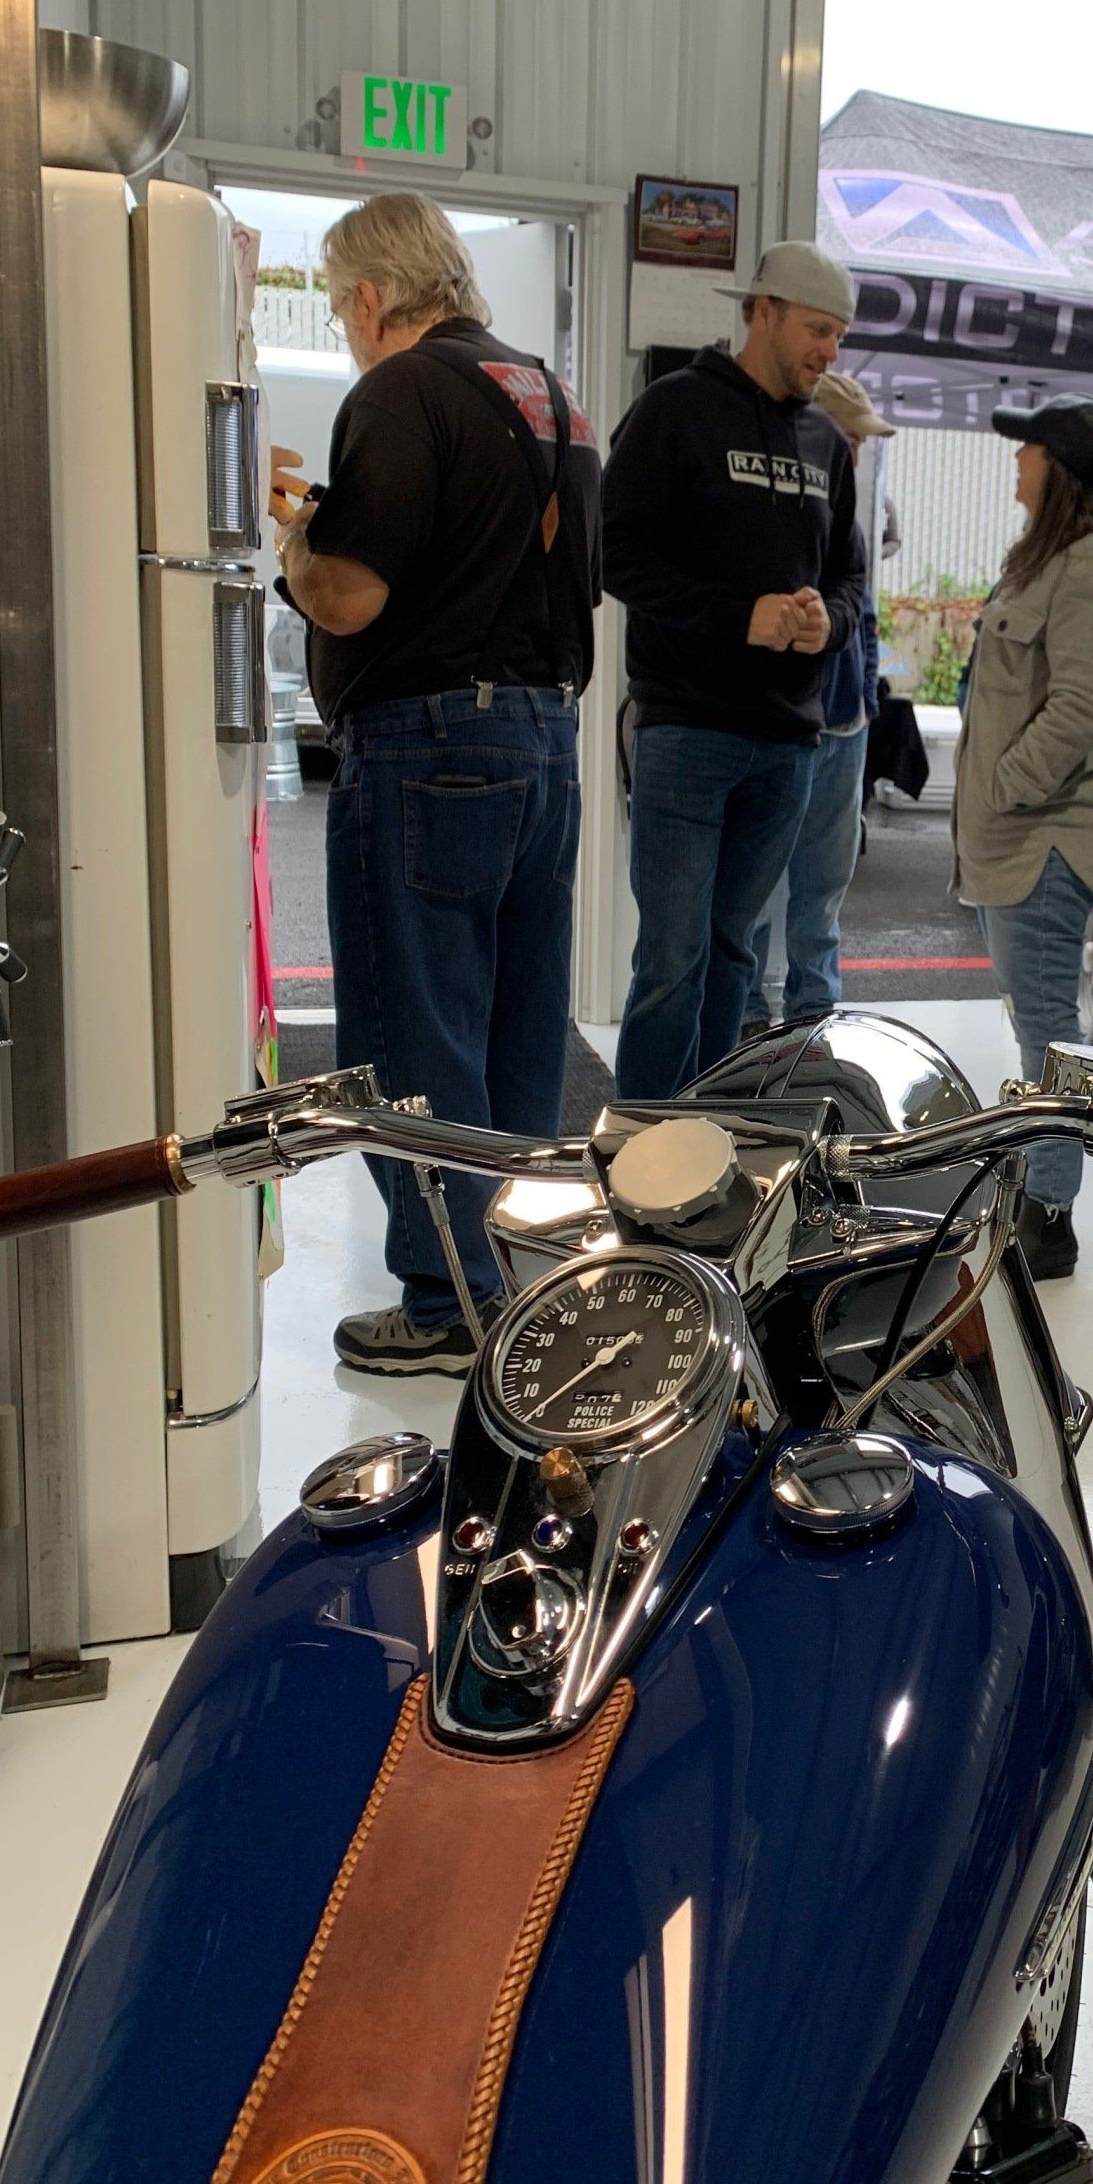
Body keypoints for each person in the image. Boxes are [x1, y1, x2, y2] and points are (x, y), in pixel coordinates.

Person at [272, 191, 601, 1375]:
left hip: (428, 742)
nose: (347, 326)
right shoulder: (548, 393)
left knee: (417, 1029)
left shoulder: (401, 392)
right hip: (544, 734)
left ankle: (443, 1302)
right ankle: (513, 1275)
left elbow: (353, 593)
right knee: (517, 1026)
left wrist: (295, 542)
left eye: (339, 302)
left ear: (369, 295)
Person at [602, 241, 863, 1097]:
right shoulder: (673, 412)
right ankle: (635, 1151)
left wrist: (829, 624)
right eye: (817, 331)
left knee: (733, 954)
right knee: (672, 959)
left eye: (839, 337)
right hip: (686, 729)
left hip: (789, 742)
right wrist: (736, 615)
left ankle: (711, 1138)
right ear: (762, 313)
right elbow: (617, 555)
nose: (829, 352)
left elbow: (850, 578)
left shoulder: (829, 441)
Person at [956, 396, 1093, 1282]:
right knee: (1036, 1028)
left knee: (1045, 1035)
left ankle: (1050, 1214)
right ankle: (1040, 1191)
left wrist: (1006, 787)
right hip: (1022, 837)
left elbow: (1079, 707)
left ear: (1057, 468)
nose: (1017, 459)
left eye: (1028, 447)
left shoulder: (1091, 568)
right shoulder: (1056, 559)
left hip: (1046, 839)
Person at [743, 370, 889, 1030]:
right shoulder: (778, 506)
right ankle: (750, 1014)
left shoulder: (855, 510)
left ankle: (811, 1018)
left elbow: (864, 611)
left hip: (841, 721)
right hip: (786, 724)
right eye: (853, 439)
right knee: (761, 886)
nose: (858, 453)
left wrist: (865, 700)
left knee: (821, 889)